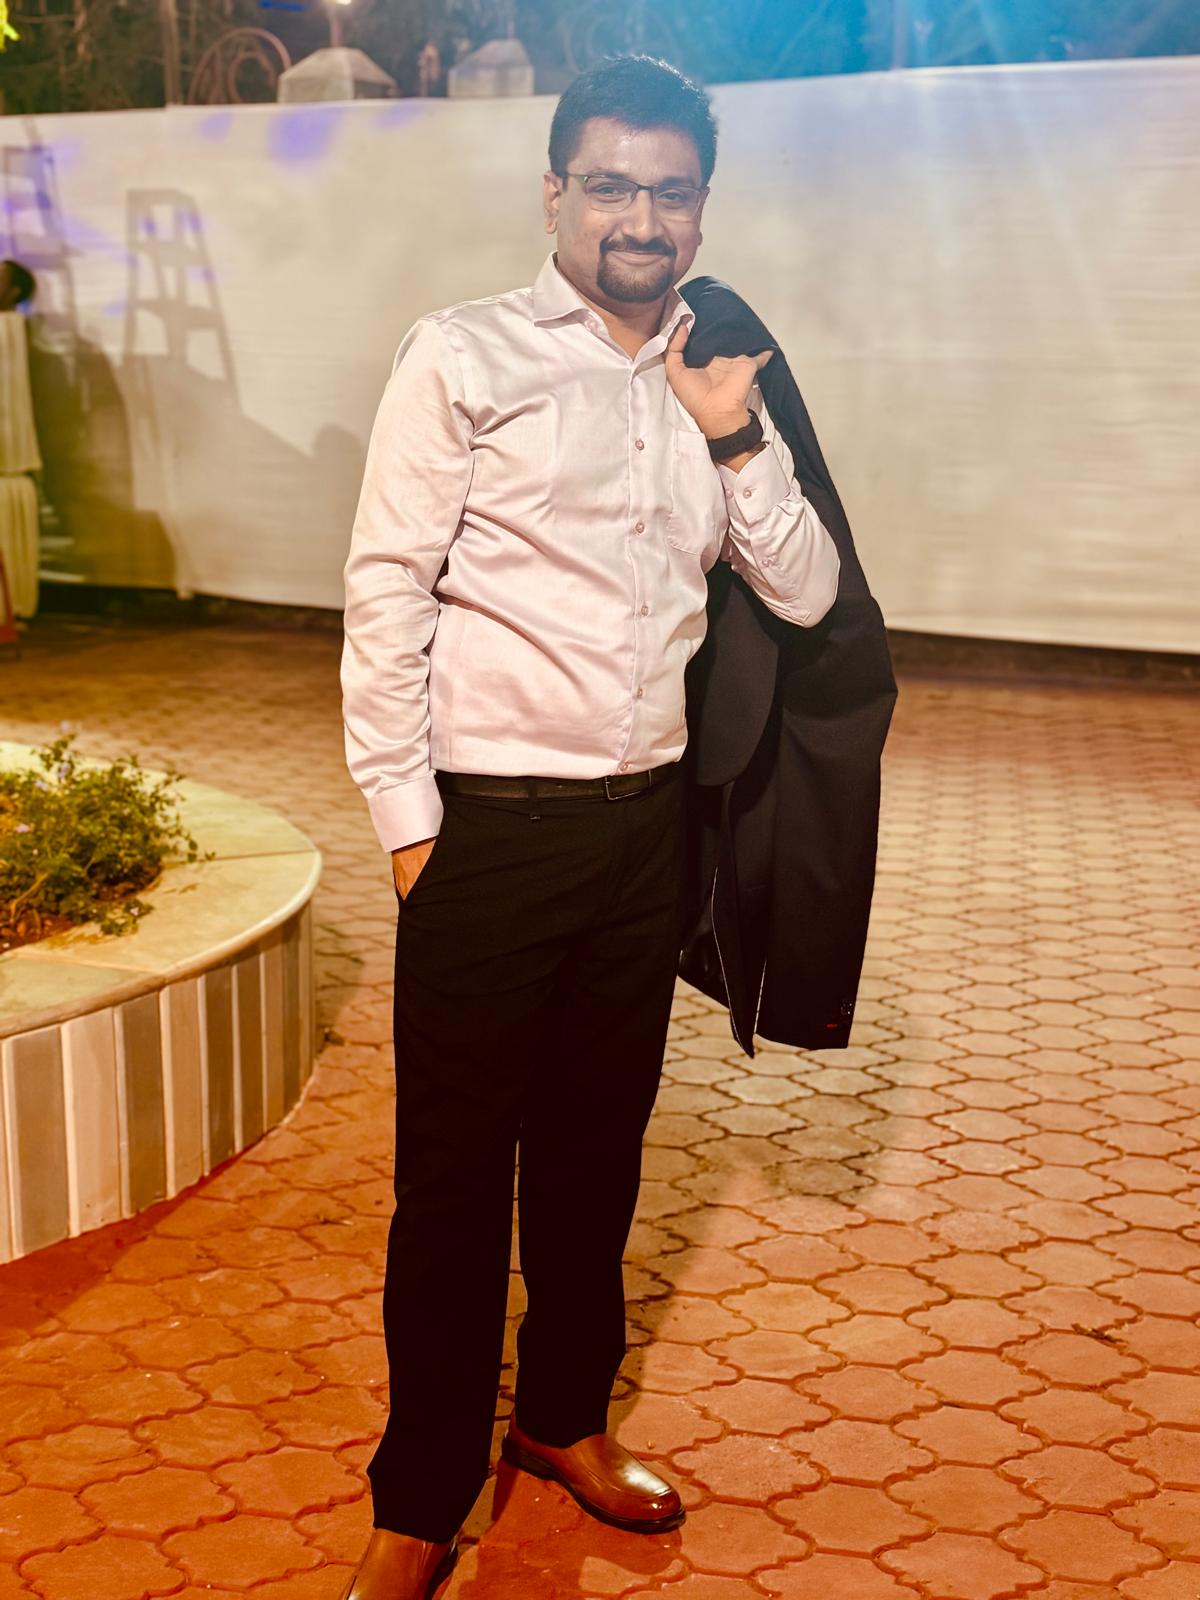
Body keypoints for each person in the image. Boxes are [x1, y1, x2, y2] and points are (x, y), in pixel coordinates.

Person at [339, 54, 840, 1600]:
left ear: (702, 207)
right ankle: (421, 1494)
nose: (640, 217)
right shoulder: (463, 355)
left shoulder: (718, 371)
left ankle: (560, 1421)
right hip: (486, 833)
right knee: (451, 1186)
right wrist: (408, 823)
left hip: (643, 840)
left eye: (669, 191)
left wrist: (735, 436)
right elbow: (386, 588)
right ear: (555, 192)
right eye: (610, 185)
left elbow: (809, 592)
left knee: (594, 1158)